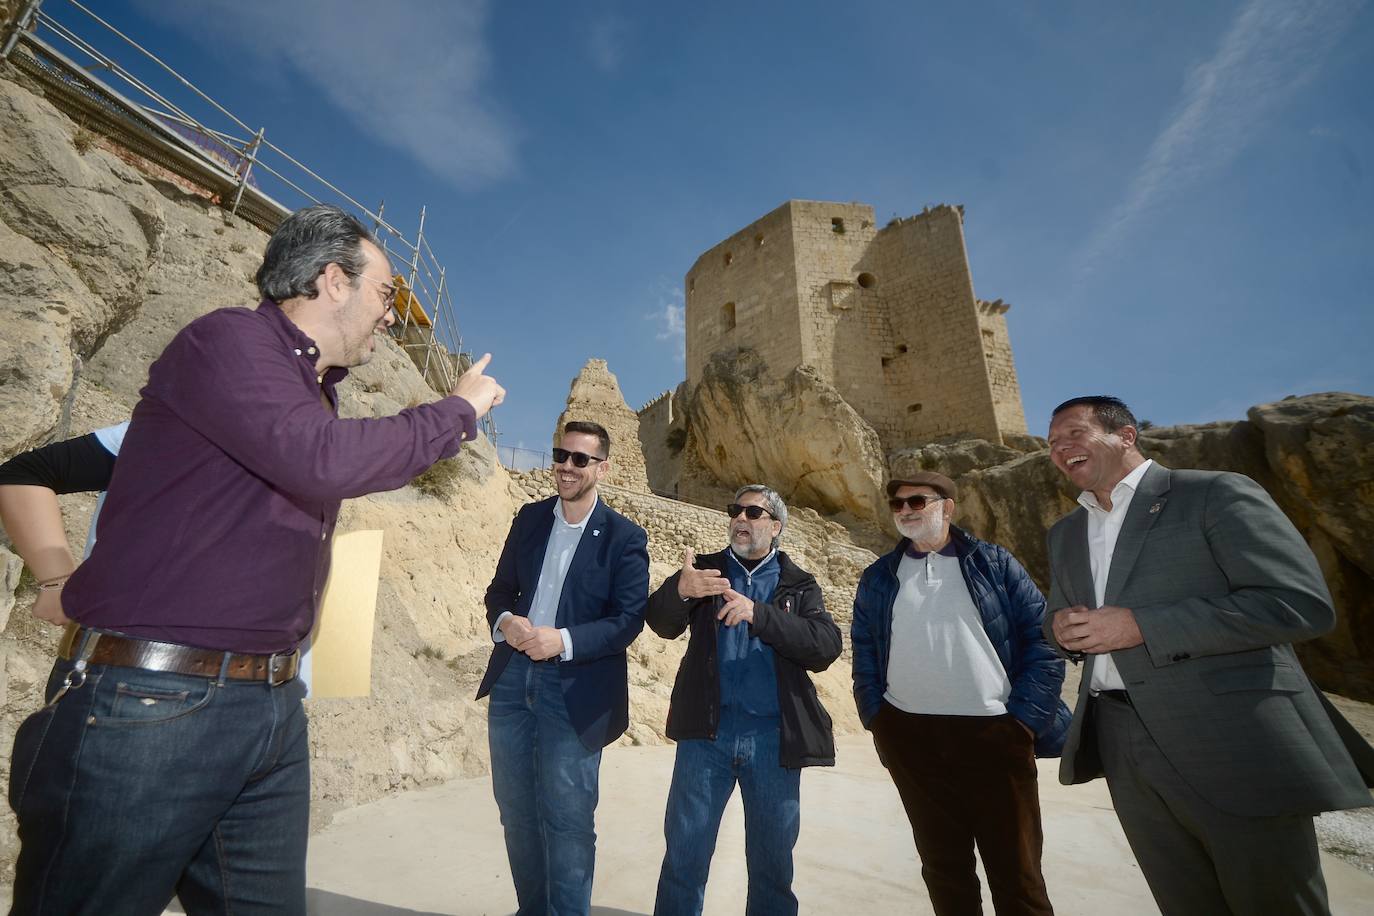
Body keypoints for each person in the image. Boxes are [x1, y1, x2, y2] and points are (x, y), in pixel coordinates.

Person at [1, 203, 505, 915]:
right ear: (333, 280)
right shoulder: (229, 340)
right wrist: (457, 411)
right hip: (150, 706)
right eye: (386, 293)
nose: (392, 316)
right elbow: (323, 461)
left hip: (266, 708)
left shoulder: (306, 397)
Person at [1043, 395, 1370, 916]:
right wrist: (1060, 630)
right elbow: (1057, 618)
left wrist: (1140, 626)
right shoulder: (1065, 533)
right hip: (1121, 740)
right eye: (1053, 443)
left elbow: (1296, 603)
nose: (1061, 449)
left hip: (1230, 734)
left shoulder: (1213, 493)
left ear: (1126, 435)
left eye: (1074, 434)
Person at [851, 471, 1068, 916]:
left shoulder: (994, 563)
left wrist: (1023, 722)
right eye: (897, 504)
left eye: (917, 502)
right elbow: (865, 649)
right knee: (943, 870)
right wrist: (878, 719)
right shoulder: (878, 576)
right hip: (911, 739)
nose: (905, 511)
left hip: (995, 735)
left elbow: (1044, 639)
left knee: (1018, 875)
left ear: (947, 508)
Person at [476, 420, 650, 916]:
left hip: (575, 691)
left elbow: (627, 619)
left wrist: (563, 640)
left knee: (569, 821)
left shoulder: (624, 537)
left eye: (580, 459)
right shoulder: (529, 519)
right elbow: (499, 592)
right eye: (560, 455)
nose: (566, 467)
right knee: (516, 814)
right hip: (512, 681)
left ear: (603, 468)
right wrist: (506, 622)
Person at [645, 484, 842, 916]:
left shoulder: (798, 584)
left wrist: (760, 614)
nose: (741, 518)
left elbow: (826, 647)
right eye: (736, 510)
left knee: (773, 868)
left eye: (754, 513)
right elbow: (661, 623)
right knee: (684, 859)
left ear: (776, 527)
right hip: (705, 738)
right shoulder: (705, 571)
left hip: (773, 742)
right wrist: (680, 590)